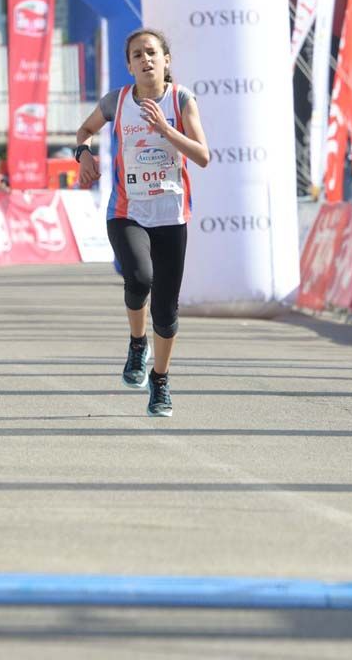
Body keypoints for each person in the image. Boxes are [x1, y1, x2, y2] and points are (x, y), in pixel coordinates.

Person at [74, 28, 210, 417]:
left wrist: (166, 130)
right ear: (129, 65)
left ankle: (161, 379)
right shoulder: (116, 101)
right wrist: (83, 155)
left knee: (166, 313)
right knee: (139, 278)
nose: (145, 59)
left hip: (171, 215)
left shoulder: (182, 99)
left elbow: (203, 156)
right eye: (137, 55)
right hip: (127, 210)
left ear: (166, 60)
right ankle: (137, 343)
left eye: (152, 53)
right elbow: (84, 131)